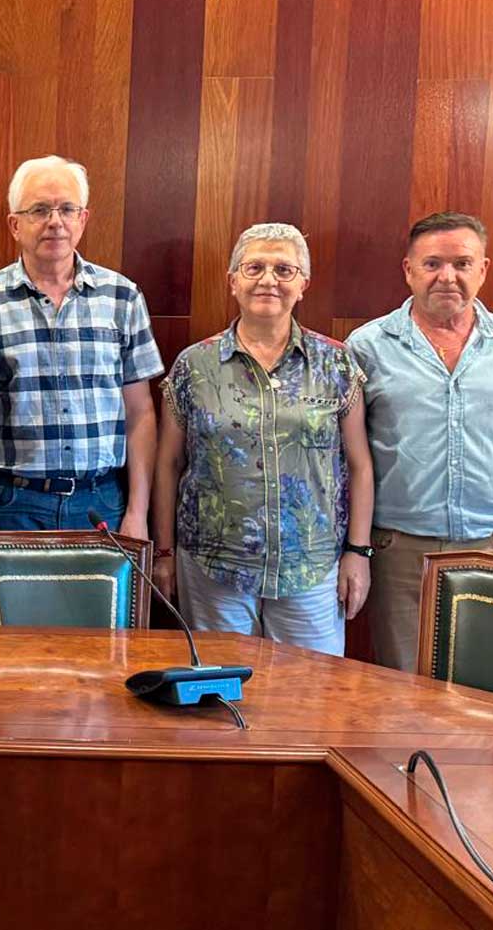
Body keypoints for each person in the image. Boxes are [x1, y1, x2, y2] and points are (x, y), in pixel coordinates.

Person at [153, 223, 374, 655]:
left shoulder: (336, 363)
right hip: (214, 567)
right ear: (233, 280)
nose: (268, 280)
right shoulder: (194, 366)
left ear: (303, 285)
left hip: (310, 569)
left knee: (309, 701)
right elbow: (168, 465)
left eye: (284, 269)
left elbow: (360, 465)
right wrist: (164, 553)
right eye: (254, 267)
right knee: (219, 699)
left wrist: (358, 553)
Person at [346, 212, 493, 672]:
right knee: (404, 688)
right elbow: (352, 452)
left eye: (461, 263)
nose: (447, 276)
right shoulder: (368, 346)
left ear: (483, 269)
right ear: (408, 270)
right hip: (400, 550)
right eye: (432, 263)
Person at [0, 155, 163, 537]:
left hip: (101, 502)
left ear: (83, 219)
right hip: (10, 502)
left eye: (66, 209)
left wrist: (138, 512)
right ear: (15, 224)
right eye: (39, 210)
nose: (54, 222)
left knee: (96, 601)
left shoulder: (121, 297)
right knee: (8, 601)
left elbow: (140, 413)